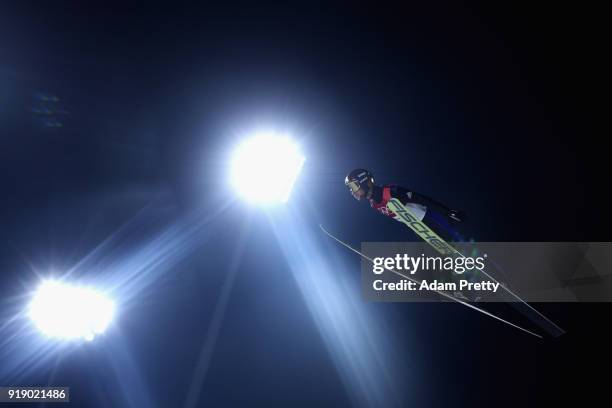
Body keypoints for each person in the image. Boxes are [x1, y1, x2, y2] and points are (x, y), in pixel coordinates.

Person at [344, 168, 465, 241]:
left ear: (364, 181)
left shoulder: (390, 191)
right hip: (420, 229)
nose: (352, 191)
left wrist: (447, 211)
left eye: (353, 186)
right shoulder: (373, 204)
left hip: (431, 218)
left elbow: (422, 199)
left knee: (455, 238)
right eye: (350, 188)